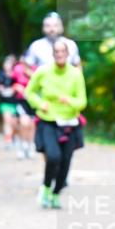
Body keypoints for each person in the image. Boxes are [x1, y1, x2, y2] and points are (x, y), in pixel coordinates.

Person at [24, 40, 87, 209]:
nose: (59, 55)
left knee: (66, 163)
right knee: (53, 157)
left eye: (62, 52)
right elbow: (29, 92)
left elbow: (82, 102)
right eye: (56, 52)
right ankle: (45, 187)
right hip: (48, 121)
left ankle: (56, 193)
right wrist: (40, 104)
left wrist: (69, 101)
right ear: (53, 54)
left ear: (67, 54)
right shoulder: (43, 72)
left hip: (70, 124)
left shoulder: (75, 74)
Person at [11, 54, 36, 160]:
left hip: (34, 101)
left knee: (32, 124)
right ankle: (22, 145)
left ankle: (30, 145)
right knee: (23, 122)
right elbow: (11, 84)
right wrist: (17, 87)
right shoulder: (17, 70)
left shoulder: (36, 69)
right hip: (21, 101)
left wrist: (30, 73)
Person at [0, 54, 20, 150]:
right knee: (7, 120)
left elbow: (20, 84)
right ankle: (8, 140)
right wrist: (0, 89)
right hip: (4, 102)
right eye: (6, 64)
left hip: (15, 102)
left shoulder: (16, 75)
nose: (7, 66)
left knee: (14, 123)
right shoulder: (0, 75)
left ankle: (13, 137)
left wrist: (15, 89)